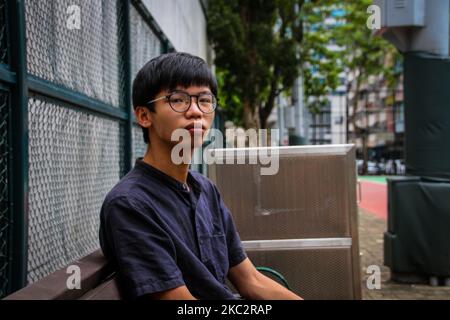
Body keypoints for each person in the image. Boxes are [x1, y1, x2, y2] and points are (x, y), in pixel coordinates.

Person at [99, 52, 302, 300]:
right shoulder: (130, 204)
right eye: (179, 100)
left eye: (204, 100)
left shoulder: (205, 189)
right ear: (144, 116)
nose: (196, 111)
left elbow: (252, 280)